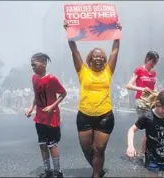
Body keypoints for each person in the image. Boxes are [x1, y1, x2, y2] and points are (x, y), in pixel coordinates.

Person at [64, 21, 122, 178]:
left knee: (99, 149)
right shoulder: (82, 70)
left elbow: (115, 51)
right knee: (87, 149)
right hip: (84, 115)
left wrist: (117, 34)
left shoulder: (108, 70)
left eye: (101, 56)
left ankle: (96, 174)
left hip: (105, 115)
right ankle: (98, 167)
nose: (98, 58)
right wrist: (70, 32)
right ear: (90, 58)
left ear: (104, 59)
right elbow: (74, 51)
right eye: (95, 56)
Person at [25, 53, 67, 178]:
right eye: (31, 65)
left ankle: (57, 171)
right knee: (42, 144)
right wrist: (31, 107)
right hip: (39, 116)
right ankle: (48, 170)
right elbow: (36, 95)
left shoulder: (52, 79)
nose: (33, 67)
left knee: (52, 144)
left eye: (35, 64)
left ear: (43, 63)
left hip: (51, 116)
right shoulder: (34, 78)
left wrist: (52, 106)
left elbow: (63, 93)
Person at [126, 51, 159, 158]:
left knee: (152, 127)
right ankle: (143, 153)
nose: (154, 64)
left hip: (151, 102)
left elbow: (153, 88)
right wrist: (142, 88)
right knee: (149, 127)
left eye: (156, 62)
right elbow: (129, 85)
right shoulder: (139, 70)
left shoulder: (154, 73)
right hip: (141, 102)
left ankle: (144, 152)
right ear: (148, 59)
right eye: (153, 61)